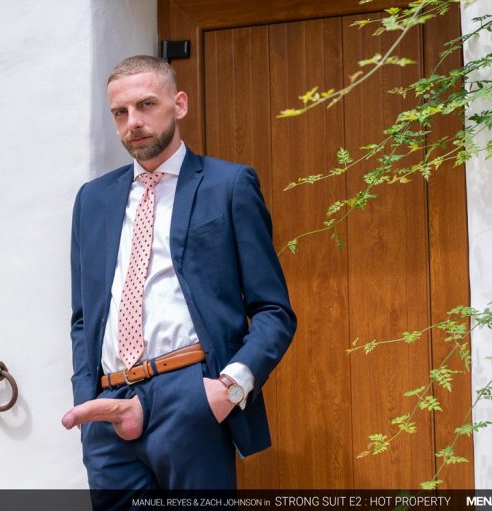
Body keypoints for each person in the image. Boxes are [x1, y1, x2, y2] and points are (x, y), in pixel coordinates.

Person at [62, 55, 296, 499]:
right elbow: (83, 318)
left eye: (146, 105)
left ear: (180, 104)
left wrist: (229, 389)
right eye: (120, 112)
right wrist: (85, 398)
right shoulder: (92, 200)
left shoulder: (228, 186)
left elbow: (273, 311)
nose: (133, 122)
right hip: (109, 410)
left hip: (190, 397)